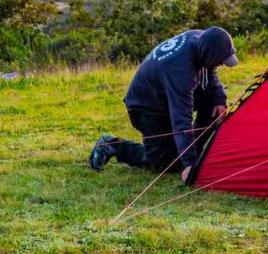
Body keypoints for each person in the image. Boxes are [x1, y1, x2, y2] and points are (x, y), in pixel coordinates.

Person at [88, 26, 238, 182]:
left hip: (166, 96)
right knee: (163, 164)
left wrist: (220, 99)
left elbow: (210, 70)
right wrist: (188, 162)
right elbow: (181, 119)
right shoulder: (180, 70)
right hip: (146, 108)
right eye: (220, 60)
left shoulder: (200, 39)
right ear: (209, 53)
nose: (222, 63)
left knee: (213, 106)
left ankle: (194, 151)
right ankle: (113, 145)